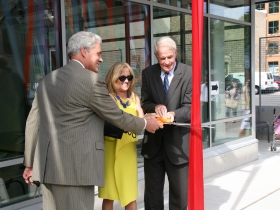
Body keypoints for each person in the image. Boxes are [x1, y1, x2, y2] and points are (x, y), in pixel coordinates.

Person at [22, 31, 163, 210]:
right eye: (98, 53)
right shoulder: (91, 81)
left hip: (47, 168)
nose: (101, 59)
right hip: (76, 171)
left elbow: (33, 122)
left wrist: (29, 164)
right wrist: (145, 124)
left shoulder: (47, 80)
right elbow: (117, 116)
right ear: (83, 51)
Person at [141, 36, 192, 210]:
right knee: (152, 195)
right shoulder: (148, 73)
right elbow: (144, 103)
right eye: (162, 58)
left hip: (178, 145)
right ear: (156, 56)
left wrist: (173, 114)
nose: (167, 62)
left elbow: (191, 108)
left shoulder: (188, 73)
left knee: (179, 195)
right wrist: (155, 107)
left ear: (176, 53)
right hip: (153, 144)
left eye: (170, 57)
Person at [98, 62, 143, 210]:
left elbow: (141, 121)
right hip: (110, 149)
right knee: (109, 194)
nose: (126, 81)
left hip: (127, 150)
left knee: (130, 194)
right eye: (121, 77)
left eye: (129, 77)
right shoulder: (108, 98)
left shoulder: (134, 97)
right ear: (113, 77)